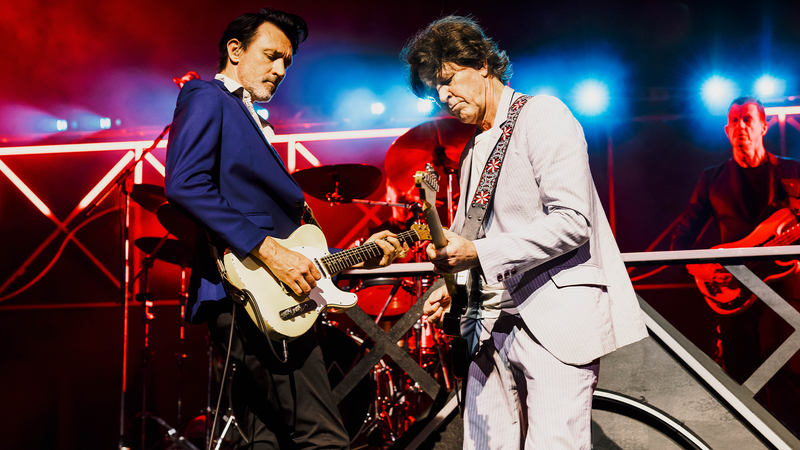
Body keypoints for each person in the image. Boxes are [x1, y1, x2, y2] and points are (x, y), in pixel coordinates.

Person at [165, 8, 405, 449]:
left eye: (286, 63)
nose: (279, 70)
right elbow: (184, 183)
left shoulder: (248, 115)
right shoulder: (207, 96)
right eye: (272, 55)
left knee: (267, 438)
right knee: (323, 437)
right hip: (248, 292)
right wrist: (270, 252)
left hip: (265, 297)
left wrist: (362, 250)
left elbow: (298, 242)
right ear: (235, 51)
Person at [404, 16, 648, 449]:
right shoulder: (473, 148)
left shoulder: (543, 114)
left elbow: (573, 220)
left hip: (553, 320)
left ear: (481, 63)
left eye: (447, 80)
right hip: (488, 322)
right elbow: (473, 236)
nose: (443, 97)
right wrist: (455, 283)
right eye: (435, 90)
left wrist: (477, 255)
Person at [671, 96, 800, 432]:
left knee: (787, 376)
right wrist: (697, 267)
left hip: (785, 293)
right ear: (727, 130)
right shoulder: (712, 178)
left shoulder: (792, 171)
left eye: (748, 119)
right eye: (735, 121)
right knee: (740, 381)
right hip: (734, 296)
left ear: (763, 126)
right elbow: (681, 237)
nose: (741, 126)